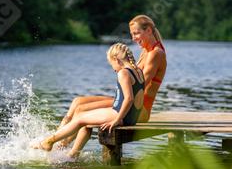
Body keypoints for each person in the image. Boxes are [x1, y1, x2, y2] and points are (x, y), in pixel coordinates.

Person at [57, 15, 166, 147]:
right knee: (77, 101)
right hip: (130, 101)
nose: (133, 38)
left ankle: (62, 146)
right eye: (132, 34)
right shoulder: (145, 51)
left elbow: (141, 84)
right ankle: (59, 138)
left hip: (139, 110)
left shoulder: (156, 53)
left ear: (148, 30)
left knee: (81, 109)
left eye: (136, 33)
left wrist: (123, 74)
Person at [35, 43, 145, 158]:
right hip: (131, 117)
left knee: (79, 118)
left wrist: (117, 120)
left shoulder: (123, 73)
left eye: (111, 65)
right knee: (84, 118)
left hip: (120, 116)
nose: (113, 69)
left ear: (116, 59)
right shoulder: (138, 71)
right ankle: (73, 154)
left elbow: (129, 99)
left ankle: (49, 142)